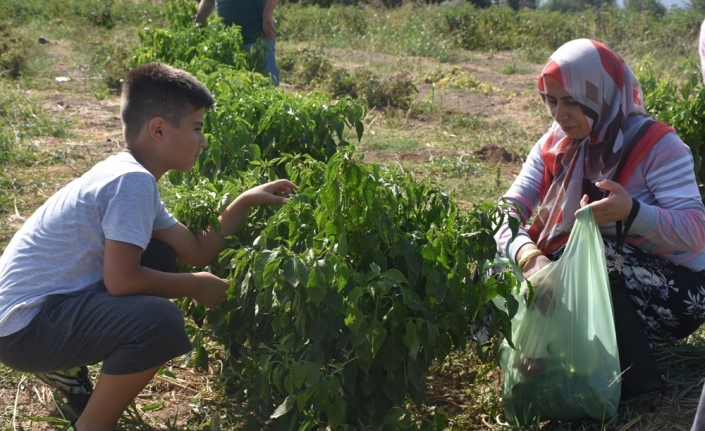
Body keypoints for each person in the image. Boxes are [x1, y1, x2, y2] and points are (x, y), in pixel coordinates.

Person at [0, 62, 297, 431]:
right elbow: (122, 282)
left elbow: (194, 249)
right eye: (197, 128)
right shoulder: (131, 182)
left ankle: (64, 368)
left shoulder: (127, 174)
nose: (203, 141)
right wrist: (197, 285)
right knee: (159, 323)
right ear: (158, 129)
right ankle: (92, 425)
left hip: (28, 318)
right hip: (24, 330)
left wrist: (244, 202)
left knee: (158, 255)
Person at [495, 38, 705, 344]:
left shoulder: (657, 146)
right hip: (599, 277)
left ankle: (578, 349)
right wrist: (530, 258)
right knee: (497, 257)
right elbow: (504, 212)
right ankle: (545, 348)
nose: (559, 114)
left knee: (585, 253)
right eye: (551, 100)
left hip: (673, 290)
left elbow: (696, 232)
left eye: (573, 101)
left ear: (602, 94)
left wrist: (633, 213)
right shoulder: (554, 146)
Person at [195, 0, 280, 85]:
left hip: (256, 38)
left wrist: (267, 14)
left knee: (268, 84)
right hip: (228, 44)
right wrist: (196, 26)